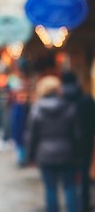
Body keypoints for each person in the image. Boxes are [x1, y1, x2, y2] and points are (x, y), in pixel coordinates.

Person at [26, 75, 81, 212]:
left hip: (45, 154)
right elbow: (76, 133)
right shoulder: (69, 106)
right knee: (70, 187)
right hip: (67, 152)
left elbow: (32, 135)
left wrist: (30, 155)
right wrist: (78, 153)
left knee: (50, 188)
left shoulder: (36, 109)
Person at [61, 71, 95, 212]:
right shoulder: (86, 99)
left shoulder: (61, 100)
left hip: (66, 146)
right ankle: (84, 205)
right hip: (85, 144)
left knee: (69, 179)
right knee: (84, 177)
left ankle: (73, 206)